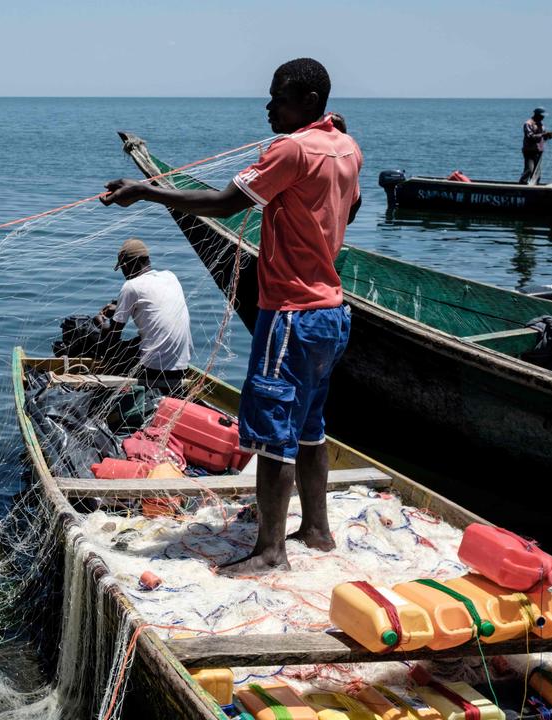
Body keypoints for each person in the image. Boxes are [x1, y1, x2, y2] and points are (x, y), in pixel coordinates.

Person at [101, 58, 361, 573]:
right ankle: (316, 530)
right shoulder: (347, 147)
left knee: (271, 433)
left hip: (289, 314)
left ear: (308, 102)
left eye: (278, 98)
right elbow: (349, 210)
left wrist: (146, 191)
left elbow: (224, 204)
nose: (268, 107)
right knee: (309, 427)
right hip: (332, 314)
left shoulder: (291, 148)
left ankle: (269, 551)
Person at [95, 238, 191, 394]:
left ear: (127, 265)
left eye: (123, 268)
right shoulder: (170, 277)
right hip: (182, 364)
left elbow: (113, 336)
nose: (124, 273)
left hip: (154, 368)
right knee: (137, 341)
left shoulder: (130, 286)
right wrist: (119, 306)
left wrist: (100, 321)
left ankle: (108, 393)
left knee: (109, 350)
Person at [519, 107, 552, 185]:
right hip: (529, 151)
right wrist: (543, 134)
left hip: (538, 150)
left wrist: (550, 135)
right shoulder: (528, 124)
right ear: (536, 115)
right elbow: (530, 136)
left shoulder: (541, 124)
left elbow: (543, 137)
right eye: (541, 116)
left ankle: (534, 186)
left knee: (537, 172)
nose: (543, 117)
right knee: (529, 169)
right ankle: (522, 185)